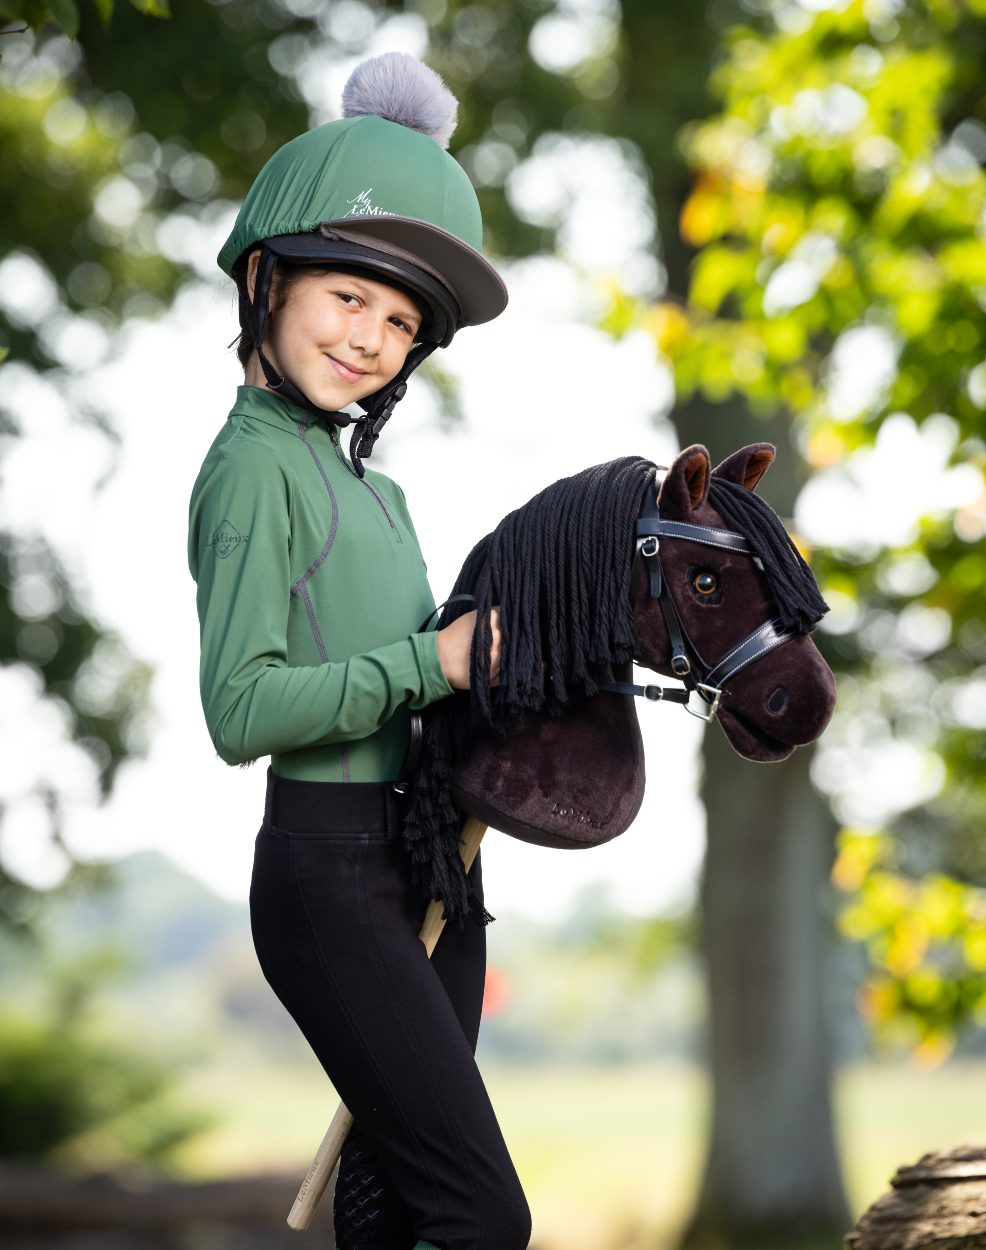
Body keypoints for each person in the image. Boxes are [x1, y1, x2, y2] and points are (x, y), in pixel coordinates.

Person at [187, 52, 531, 1250]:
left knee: (392, 1205)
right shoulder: (251, 469)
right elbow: (240, 709)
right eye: (347, 298)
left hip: (426, 857)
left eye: (399, 322)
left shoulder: (364, 487)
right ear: (266, 283)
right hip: (330, 877)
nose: (372, 338)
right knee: (480, 1216)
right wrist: (427, 664)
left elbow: (428, 670)